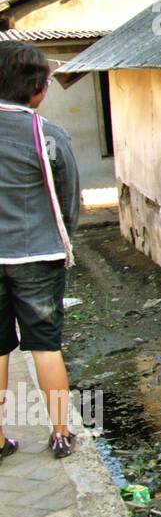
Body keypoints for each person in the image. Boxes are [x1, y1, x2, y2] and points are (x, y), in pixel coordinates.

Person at [0, 42, 80, 464]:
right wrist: (63, 236)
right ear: (38, 89)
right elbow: (68, 200)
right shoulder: (47, 135)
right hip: (38, 257)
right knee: (45, 347)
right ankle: (61, 433)